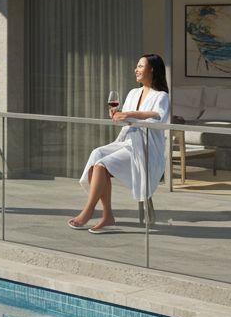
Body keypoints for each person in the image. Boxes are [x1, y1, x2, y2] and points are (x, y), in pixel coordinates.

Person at [69, 54, 170, 233]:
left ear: (152, 69)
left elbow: (158, 117)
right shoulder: (133, 92)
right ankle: (107, 215)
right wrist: (117, 114)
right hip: (127, 141)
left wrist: (128, 114)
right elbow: (127, 120)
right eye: (137, 66)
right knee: (97, 155)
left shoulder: (161, 96)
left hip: (145, 148)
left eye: (140, 66)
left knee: (102, 165)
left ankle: (89, 210)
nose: (136, 70)